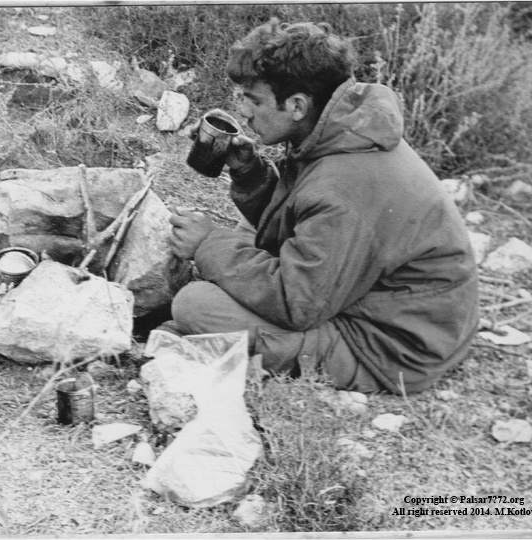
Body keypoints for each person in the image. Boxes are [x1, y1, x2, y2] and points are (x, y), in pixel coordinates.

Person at [163, 20, 479, 394]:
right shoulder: (343, 129)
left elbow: (296, 303)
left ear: (297, 105)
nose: (245, 113)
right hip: (404, 313)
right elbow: (305, 221)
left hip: (394, 347)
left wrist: (207, 245)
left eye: (255, 100)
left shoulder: (344, 184)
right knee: (240, 247)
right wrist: (250, 174)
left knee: (195, 305)